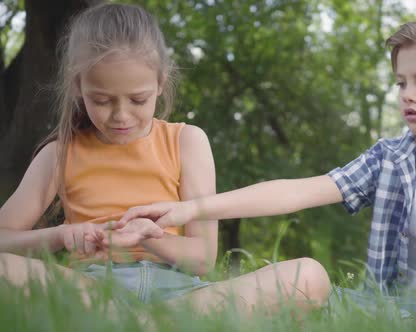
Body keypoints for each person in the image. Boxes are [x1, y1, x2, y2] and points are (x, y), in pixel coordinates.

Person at [119, 14, 416, 322]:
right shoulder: (388, 158)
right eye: (402, 82)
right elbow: (296, 192)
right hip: (396, 308)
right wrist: (187, 210)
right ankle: (157, 319)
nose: (407, 94)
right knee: (299, 288)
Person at [0, 3, 331, 314]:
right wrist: (60, 236)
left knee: (308, 276)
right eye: (101, 100)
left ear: (160, 83)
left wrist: (150, 238)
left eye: (138, 99)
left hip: (181, 294)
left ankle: (142, 323)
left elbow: (202, 259)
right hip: (92, 291)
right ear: (77, 87)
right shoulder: (60, 152)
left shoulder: (187, 141)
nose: (121, 115)